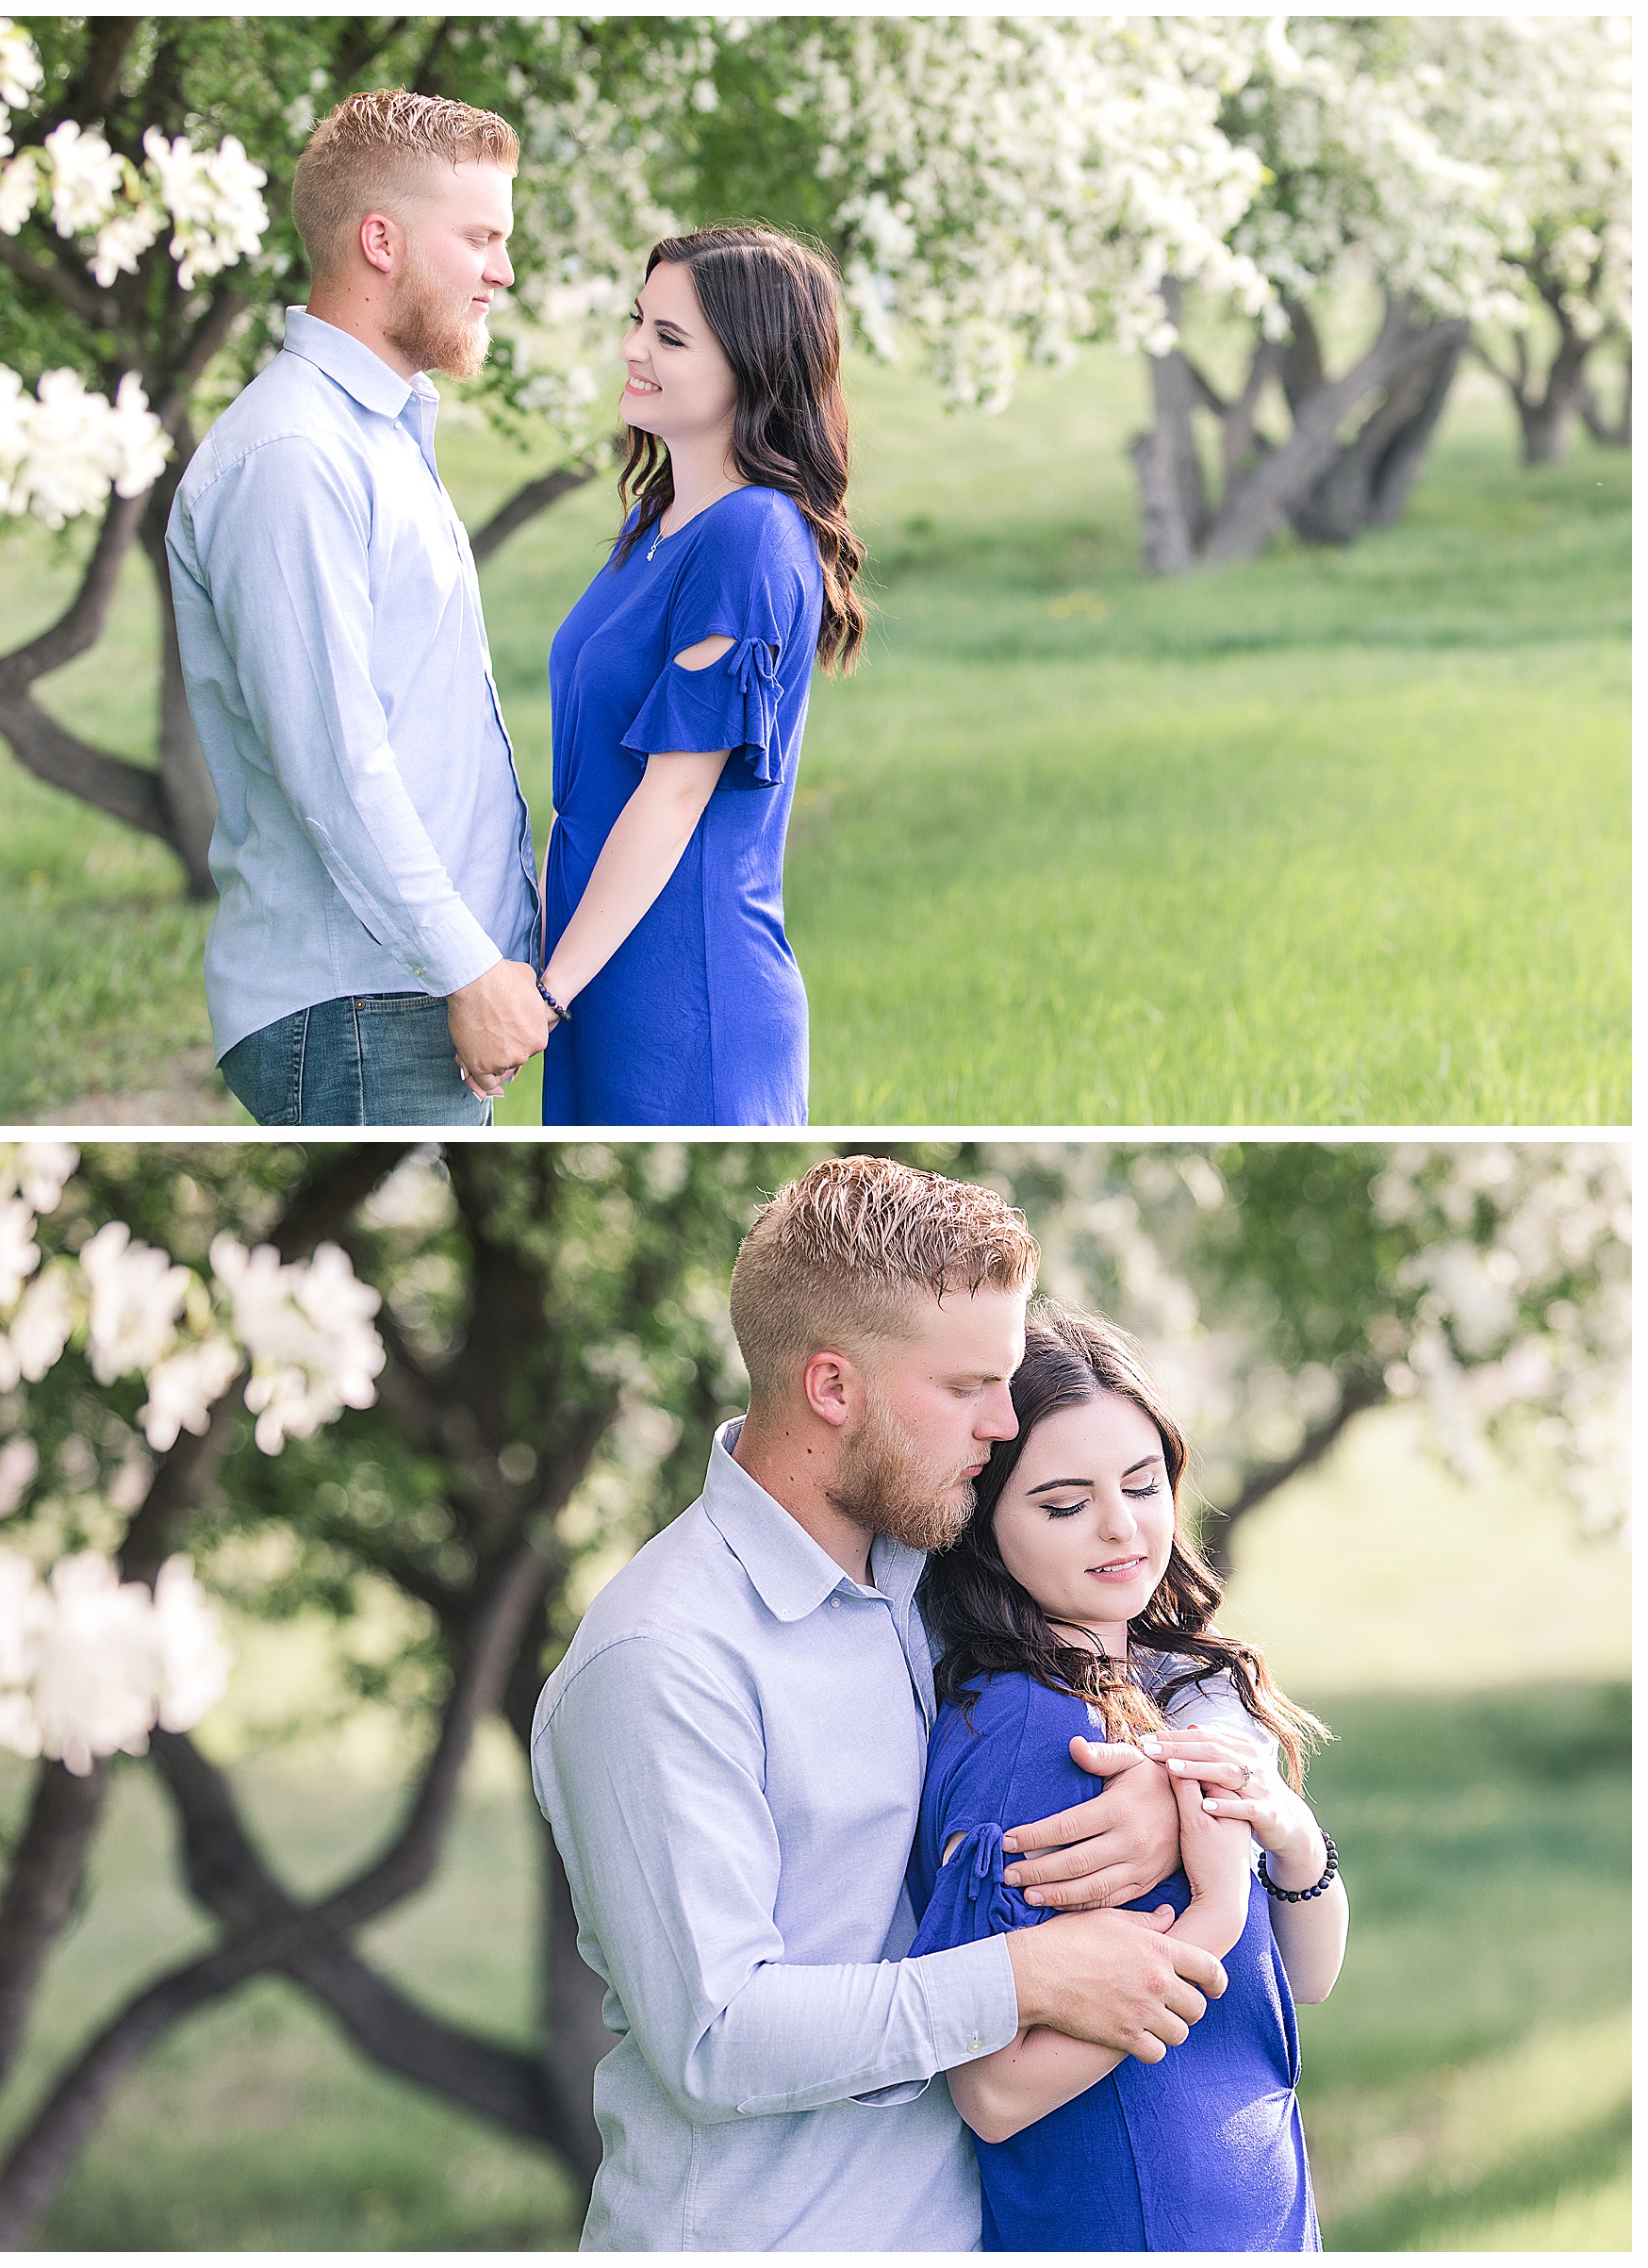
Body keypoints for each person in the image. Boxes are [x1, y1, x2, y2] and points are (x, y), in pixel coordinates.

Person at [530, 1156, 1229, 2251]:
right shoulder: (661, 1657)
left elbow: (1153, 1643)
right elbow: (717, 2035)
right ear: (832, 1388)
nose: (1005, 1423)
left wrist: (1165, 1789)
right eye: (966, 1388)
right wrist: (1024, 1974)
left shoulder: (933, 1570)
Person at [911, 1306, 1349, 2251]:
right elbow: (993, 2091)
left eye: (1143, 1484)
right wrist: (1216, 1912)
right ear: (986, 1526)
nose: (1121, 1527)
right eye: (1064, 1503)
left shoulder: (1166, 1697)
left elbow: (1306, 1979)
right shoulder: (1028, 1732)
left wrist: (1289, 1831)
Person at [167, 91, 551, 1126]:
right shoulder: (294, 454)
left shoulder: (377, 435)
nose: (501, 271)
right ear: (381, 240)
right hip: (361, 1001)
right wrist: (469, 967)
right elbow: (333, 760)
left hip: (407, 992)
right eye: (479, 237)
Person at [470, 227, 865, 1126]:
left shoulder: (750, 534)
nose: (632, 349)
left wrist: (546, 993)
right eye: (637, 321)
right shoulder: (654, 527)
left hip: (684, 988)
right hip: (597, 973)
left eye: (671, 337)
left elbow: (675, 794)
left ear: (755, 369)